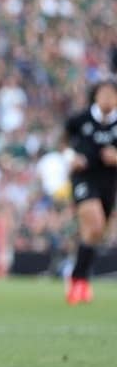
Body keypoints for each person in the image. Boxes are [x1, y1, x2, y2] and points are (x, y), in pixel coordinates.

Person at [63, 79, 117, 305]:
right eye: (103, 93)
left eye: (112, 94)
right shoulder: (80, 119)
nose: (107, 99)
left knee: (94, 234)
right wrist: (71, 158)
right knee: (94, 224)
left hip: (108, 182)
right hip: (84, 179)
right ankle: (78, 279)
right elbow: (64, 141)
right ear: (96, 96)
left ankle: (79, 280)